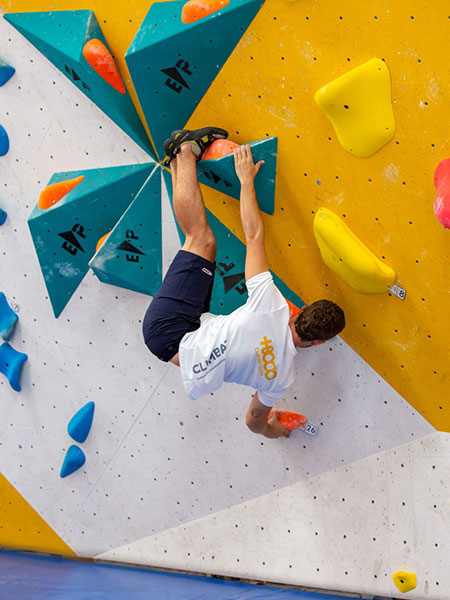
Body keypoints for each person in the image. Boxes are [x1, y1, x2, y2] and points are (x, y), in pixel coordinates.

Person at [143, 127, 345, 438]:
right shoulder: (282, 378)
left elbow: (253, 235)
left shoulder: (271, 304)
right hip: (179, 342)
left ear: (298, 312)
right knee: (201, 243)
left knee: (201, 240)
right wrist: (273, 431)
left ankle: (185, 152)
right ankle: (178, 158)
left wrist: (246, 180)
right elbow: (253, 422)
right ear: (317, 342)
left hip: (170, 327)